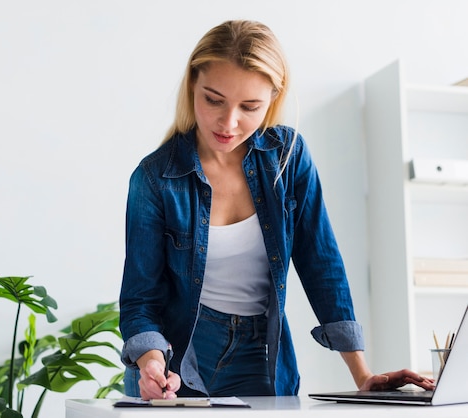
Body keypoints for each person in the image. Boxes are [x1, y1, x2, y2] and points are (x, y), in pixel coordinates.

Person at [118, 19, 434, 400]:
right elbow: (141, 297)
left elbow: (321, 261)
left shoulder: (288, 156)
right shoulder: (154, 178)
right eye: (213, 99)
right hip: (178, 357)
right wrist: (152, 362)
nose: (229, 122)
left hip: (262, 353)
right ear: (191, 86)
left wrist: (361, 373)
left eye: (250, 106)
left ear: (273, 100)